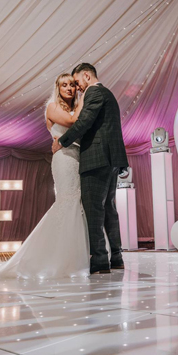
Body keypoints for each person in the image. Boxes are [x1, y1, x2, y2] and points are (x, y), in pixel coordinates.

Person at [0, 73, 90, 279]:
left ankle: (73, 253)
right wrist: (84, 97)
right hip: (64, 159)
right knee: (67, 201)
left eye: (72, 85)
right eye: (65, 85)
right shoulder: (52, 106)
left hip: (78, 158)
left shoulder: (73, 108)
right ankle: (52, 256)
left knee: (78, 203)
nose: (70, 89)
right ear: (58, 87)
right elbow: (73, 121)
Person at [52, 63, 129, 274]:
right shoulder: (108, 94)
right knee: (109, 210)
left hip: (97, 158)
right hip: (111, 159)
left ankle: (100, 259)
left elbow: (84, 122)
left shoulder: (94, 92)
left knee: (94, 209)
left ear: (87, 76)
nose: (77, 88)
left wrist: (62, 141)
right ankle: (117, 256)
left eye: (77, 82)